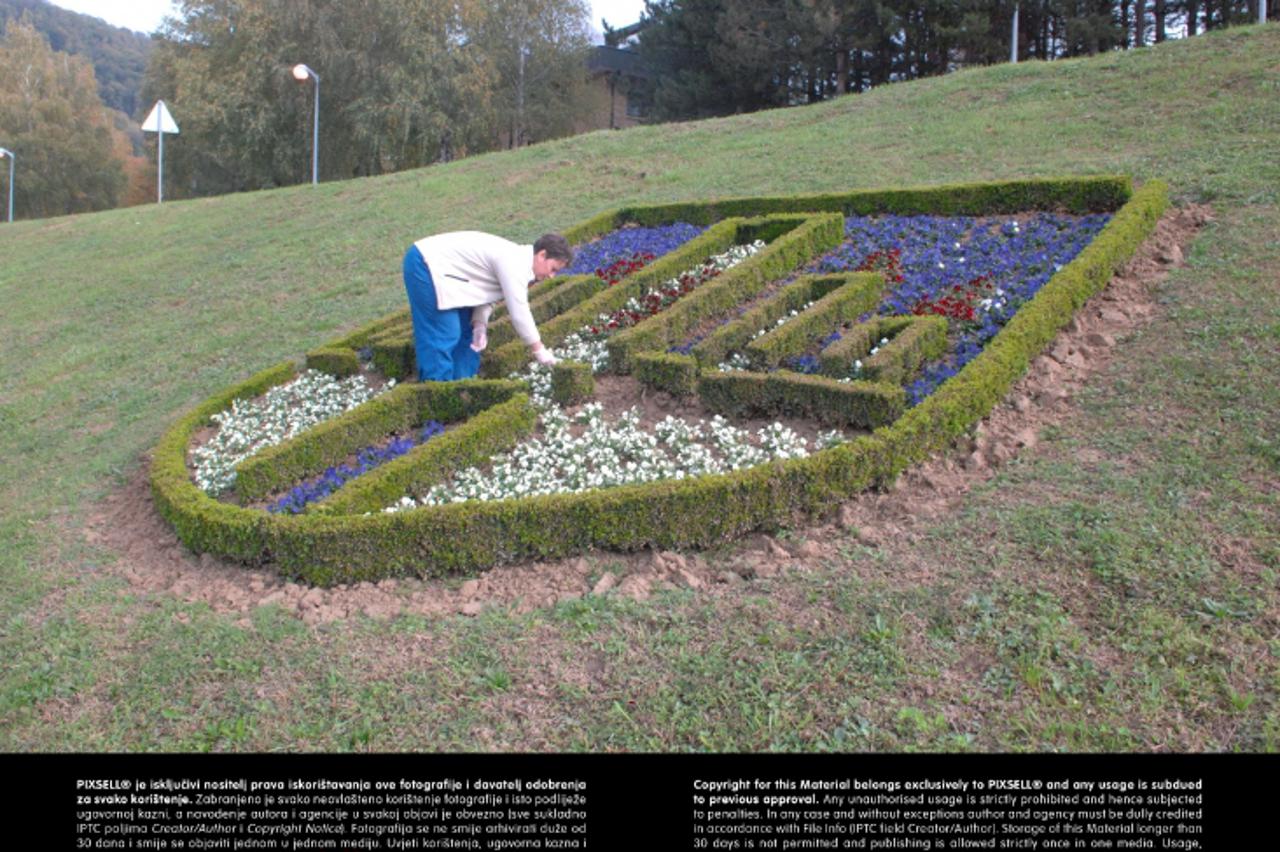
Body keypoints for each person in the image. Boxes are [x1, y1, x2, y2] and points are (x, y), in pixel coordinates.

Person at [402, 231, 572, 381]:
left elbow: (489, 294)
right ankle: (436, 398)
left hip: (453, 278)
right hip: (426, 264)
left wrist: (479, 324)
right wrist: (538, 349)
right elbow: (519, 311)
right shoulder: (515, 262)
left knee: (467, 338)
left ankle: (462, 390)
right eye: (553, 269)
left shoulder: (521, 264)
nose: (551, 276)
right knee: (445, 333)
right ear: (542, 255)